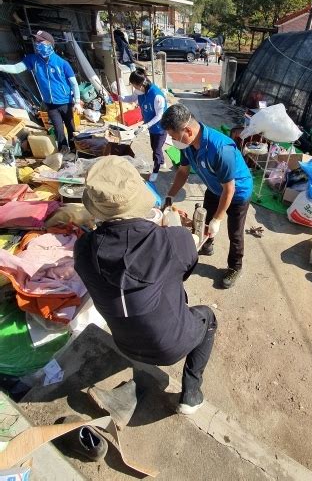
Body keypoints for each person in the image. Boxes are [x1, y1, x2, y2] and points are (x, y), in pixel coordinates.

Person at [74, 156, 217, 415]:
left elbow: (122, 253)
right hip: (169, 346)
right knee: (208, 317)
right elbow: (185, 270)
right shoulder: (173, 241)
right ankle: (191, 394)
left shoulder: (83, 249)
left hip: (124, 342)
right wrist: (178, 232)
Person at [161, 104, 253, 289]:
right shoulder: (186, 145)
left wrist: (219, 219)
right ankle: (208, 243)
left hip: (238, 192)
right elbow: (183, 171)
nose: (172, 141)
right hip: (214, 187)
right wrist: (170, 195)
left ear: (187, 130)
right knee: (203, 220)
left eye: (173, 136)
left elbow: (229, 189)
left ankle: (235, 266)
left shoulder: (220, 148)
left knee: (234, 233)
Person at [0, 30, 82, 153]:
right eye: (36, 41)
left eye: (40, 41)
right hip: (50, 104)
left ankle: (76, 150)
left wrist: (77, 101)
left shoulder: (62, 63)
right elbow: (16, 68)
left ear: (49, 43)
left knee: (70, 127)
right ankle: (64, 153)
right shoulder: (33, 60)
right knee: (59, 130)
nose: (37, 44)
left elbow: (74, 84)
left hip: (65, 102)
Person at [119, 67, 168, 183]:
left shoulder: (157, 96)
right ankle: (161, 161)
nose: (134, 88)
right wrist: (120, 98)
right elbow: (132, 98)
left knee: (156, 149)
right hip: (150, 127)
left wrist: (146, 125)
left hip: (160, 127)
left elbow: (160, 115)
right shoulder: (139, 91)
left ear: (141, 84)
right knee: (155, 147)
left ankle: (155, 171)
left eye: (134, 86)